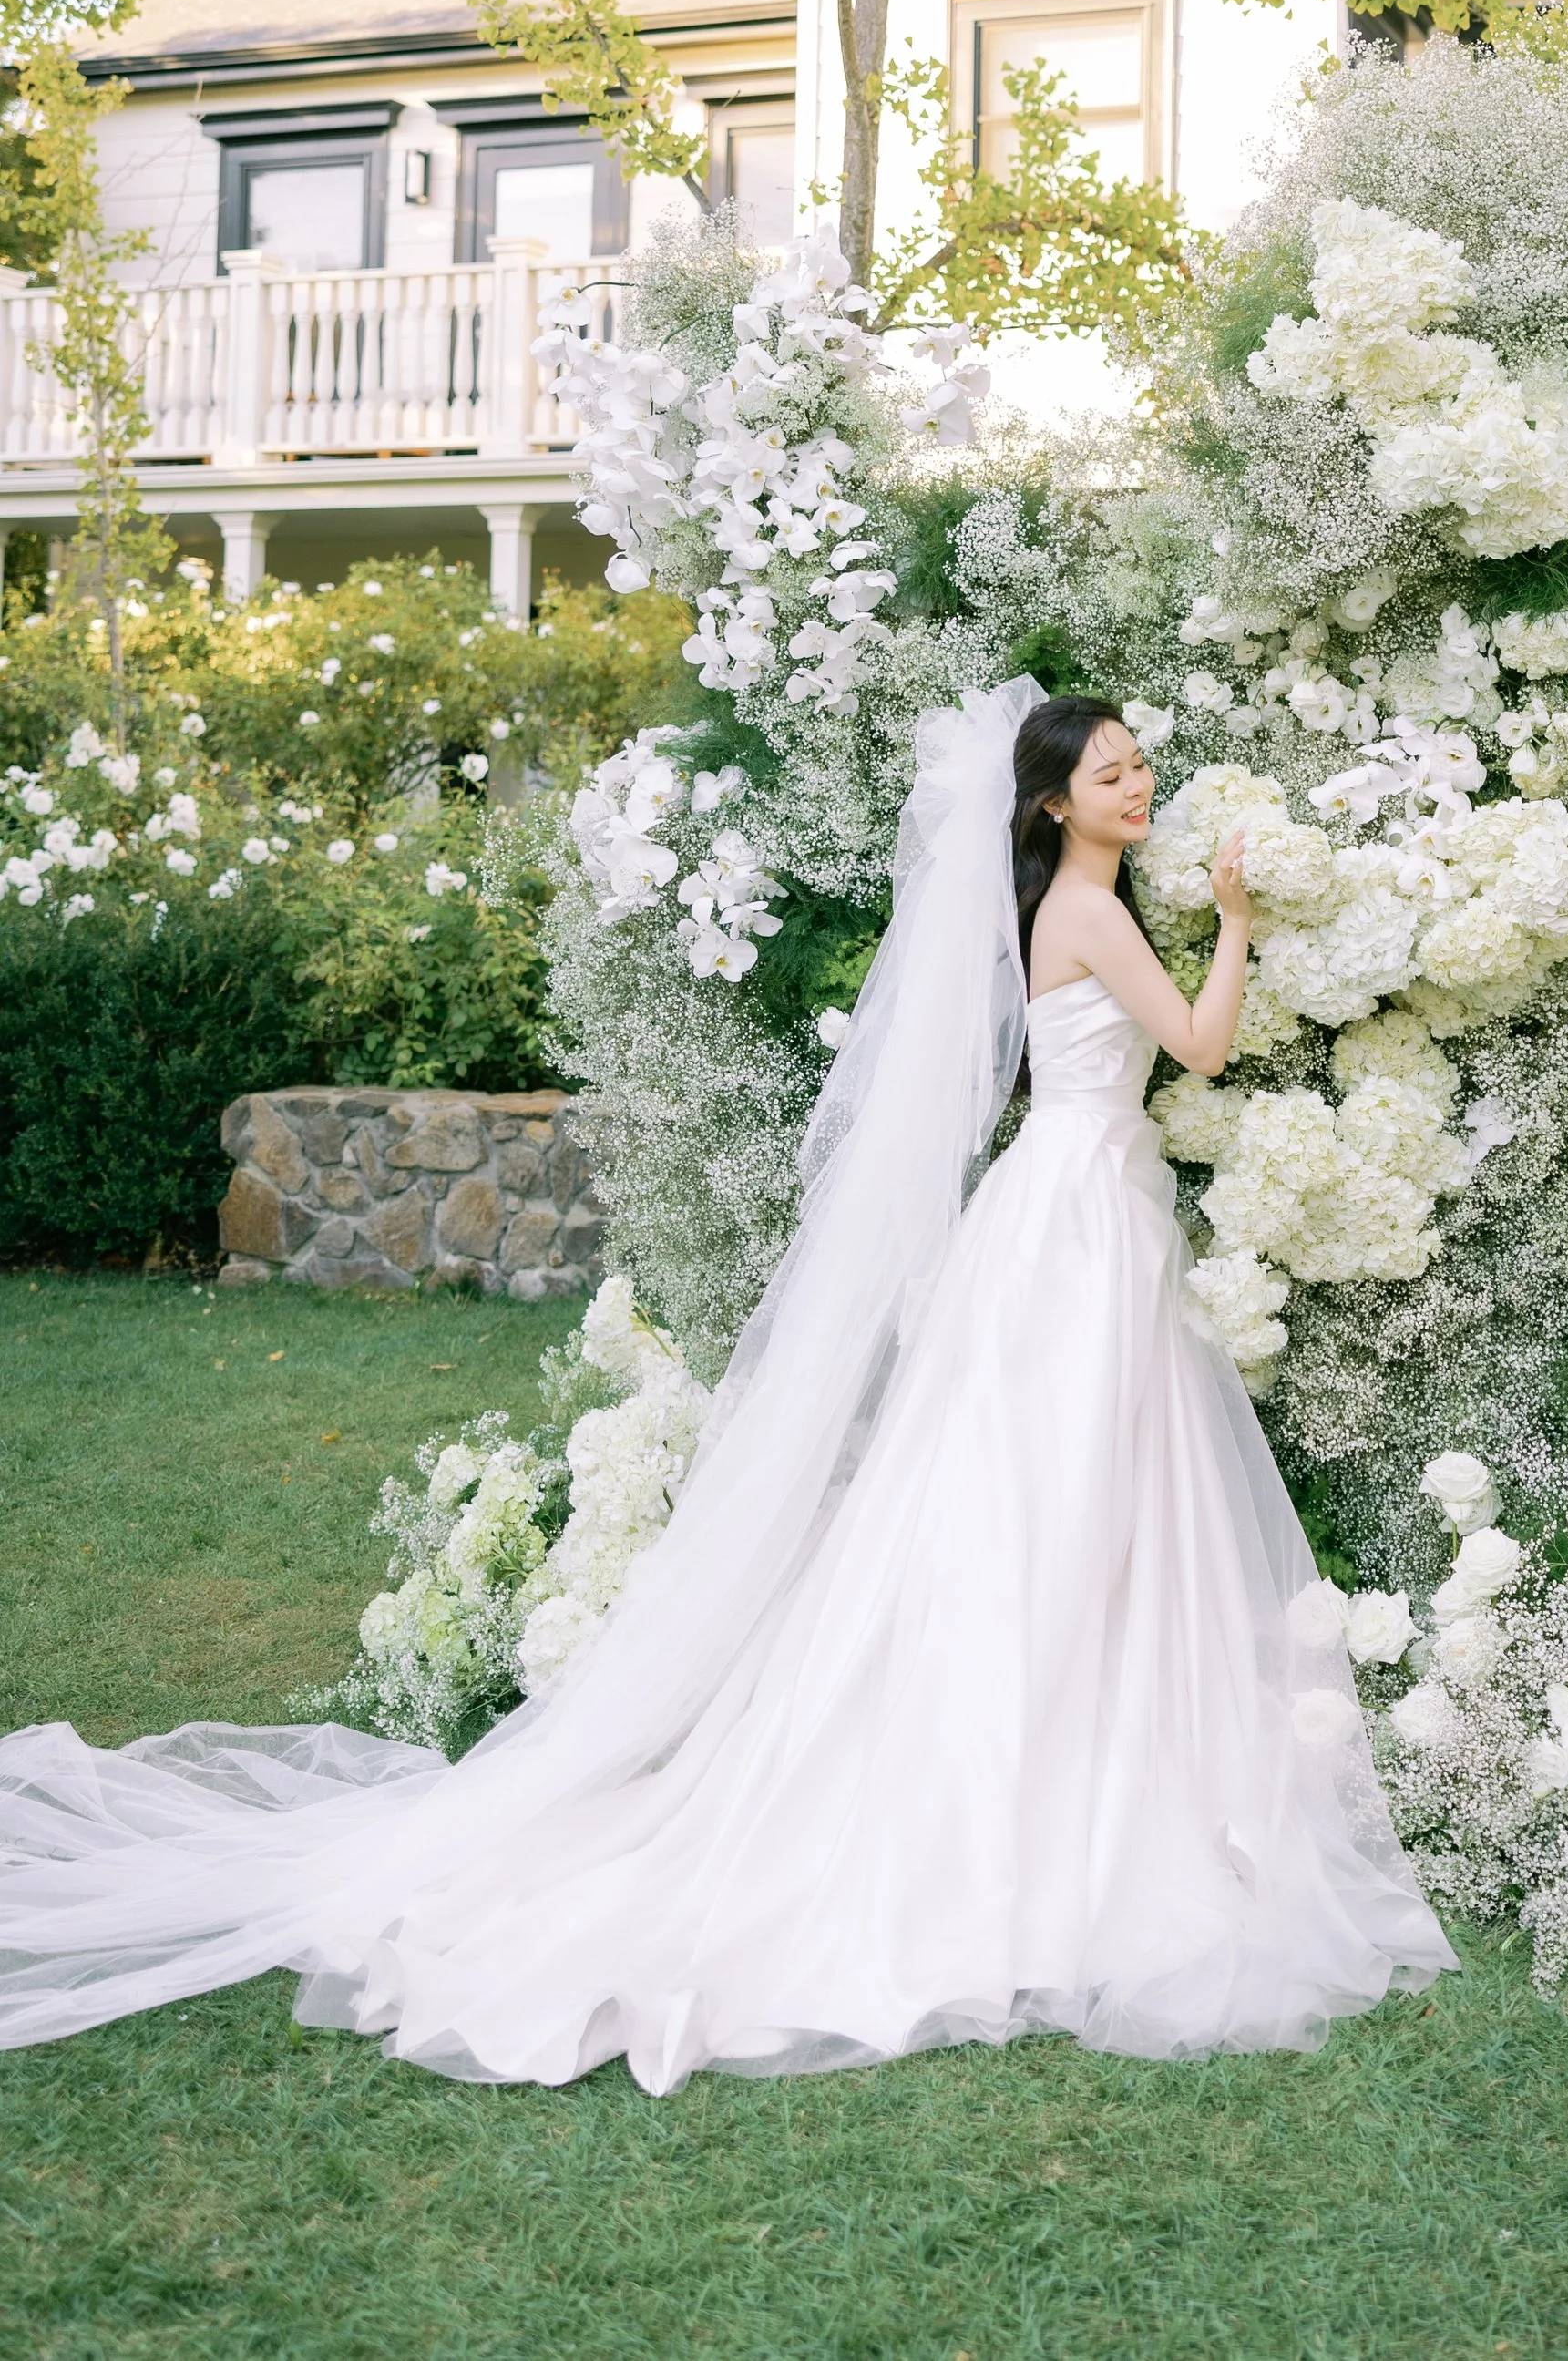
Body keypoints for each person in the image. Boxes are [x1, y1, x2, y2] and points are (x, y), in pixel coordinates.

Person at [0, 681, 1451, 2091]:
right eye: (1117, 770)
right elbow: (1198, 1044)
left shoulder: (1059, 906)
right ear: (1056, 801)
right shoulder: (1085, 907)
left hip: (1072, 1202)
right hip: (1079, 1218)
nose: (1141, 783)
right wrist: (1243, 927)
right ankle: (1079, 1782)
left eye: (1142, 763)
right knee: (1076, 1488)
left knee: (1052, 1487)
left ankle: (1075, 1754)